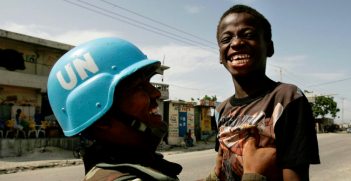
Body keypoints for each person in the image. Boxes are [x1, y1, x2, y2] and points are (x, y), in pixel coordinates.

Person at [47, 38, 182, 180]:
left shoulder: (134, 164)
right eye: (139, 86)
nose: (156, 93)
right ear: (101, 119)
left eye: (147, 82)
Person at [211, 4, 320, 181]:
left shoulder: (288, 98)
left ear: (269, 48)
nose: (236, 43)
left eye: (249, 36)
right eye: (226, 39)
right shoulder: (220, 111)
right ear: (220, 55)